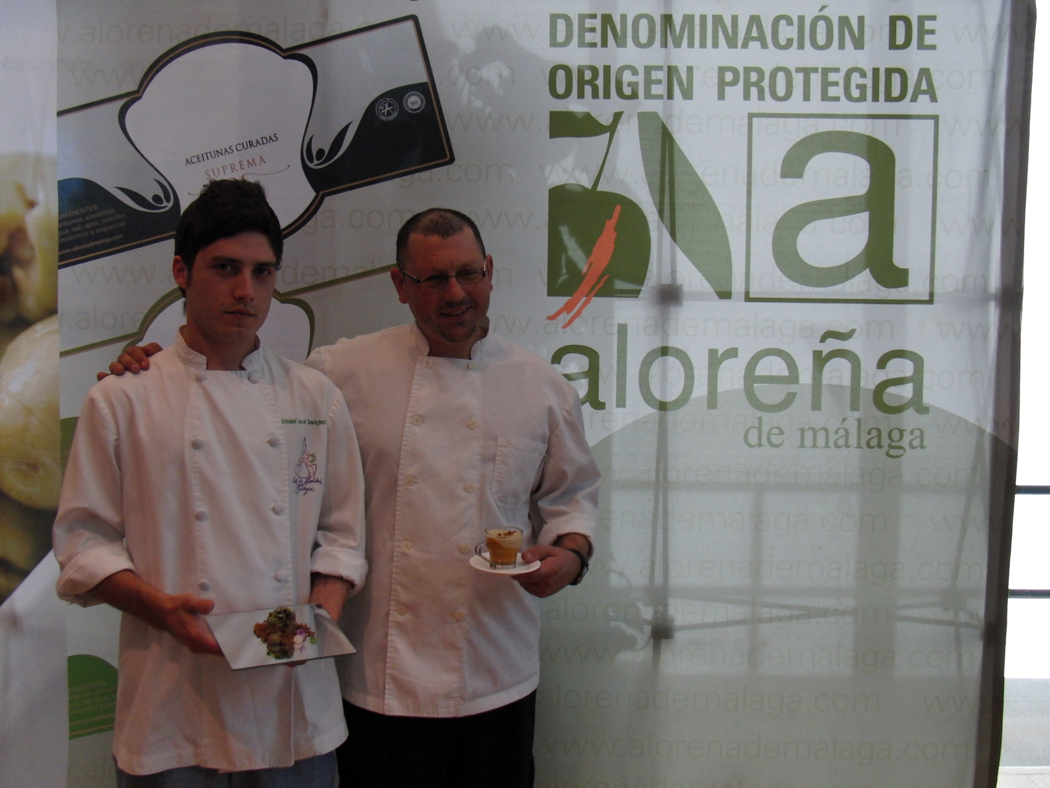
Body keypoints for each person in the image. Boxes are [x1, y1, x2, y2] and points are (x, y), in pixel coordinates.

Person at [108, 207, 601, 788]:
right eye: (432, 280)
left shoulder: (542, 385)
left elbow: (572, 497)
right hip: (374, 677)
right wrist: (152, 367)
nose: (455, 294)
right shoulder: (339, 372)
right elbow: (241, 397)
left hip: (499, 668)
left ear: (490, 271)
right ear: (399, 286)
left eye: (469, 274)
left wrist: (571, 555)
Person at [56, 179, 368, 787]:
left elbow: (343, 535)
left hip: (294, 710)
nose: (245, 291)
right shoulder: (122, 398)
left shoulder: (313, 396)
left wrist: (310, 631)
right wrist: (160, 608)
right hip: (172, 703)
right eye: (225, 268)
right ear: (181, 269)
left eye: (262, 273)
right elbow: (82, 542)